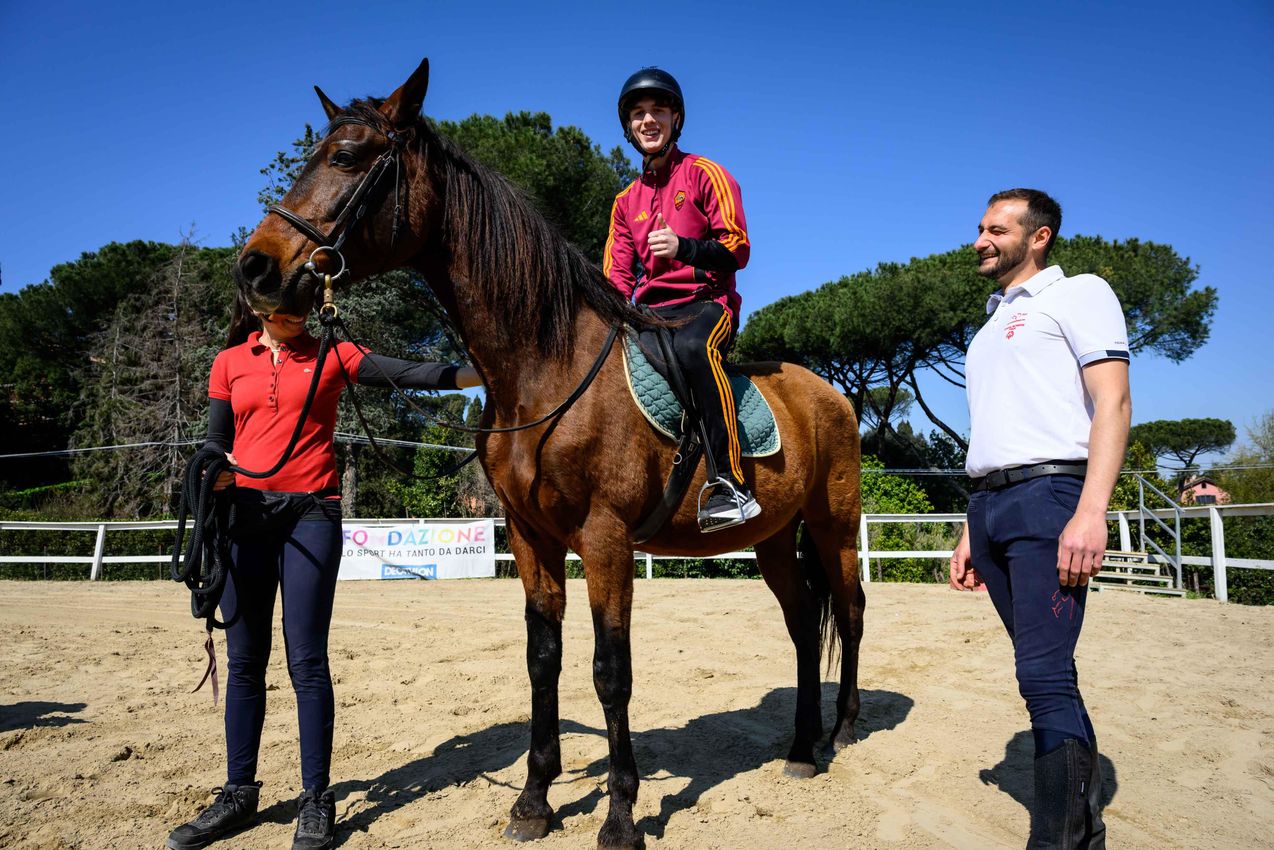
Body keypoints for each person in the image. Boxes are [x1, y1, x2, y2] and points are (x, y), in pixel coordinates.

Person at [166, 304, 480, 850]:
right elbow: (218, 439)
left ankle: (315, 797)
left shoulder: (332, 353)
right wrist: (212, 470)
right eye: (286, 306)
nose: (300, 313)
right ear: (259, 307)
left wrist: (477, 372)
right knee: (245, 661)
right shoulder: (229, 362)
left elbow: (407, 372)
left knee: (307, 660)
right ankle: (238, 793)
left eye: (304, 303)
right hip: (244, 515)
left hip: (311, 513)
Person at [949, 189, 1130, 849]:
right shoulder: (989, 327)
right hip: (990, 505)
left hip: (1050, 497)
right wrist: (970, 529)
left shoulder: (1078, 293)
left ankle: (1056, 842)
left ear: (1039, 236)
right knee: (1046, 669)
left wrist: (1092, 511)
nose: (981, 240)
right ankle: (1082, 830)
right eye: (980, 228)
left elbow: (1113, 402)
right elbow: (996, 428)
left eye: (997, 229)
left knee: (1042, 675)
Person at [603, 66, 758, 532]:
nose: (648, 120)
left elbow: (738, 247)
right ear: (629, 126)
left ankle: (731, 484)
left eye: (658, 111)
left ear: (676, 119)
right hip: (650, 314)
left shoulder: (706, 173)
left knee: (693, 349)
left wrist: (685, 248)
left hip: (707, 305)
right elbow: (616, 276)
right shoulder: (624, 202)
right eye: (638, 114)